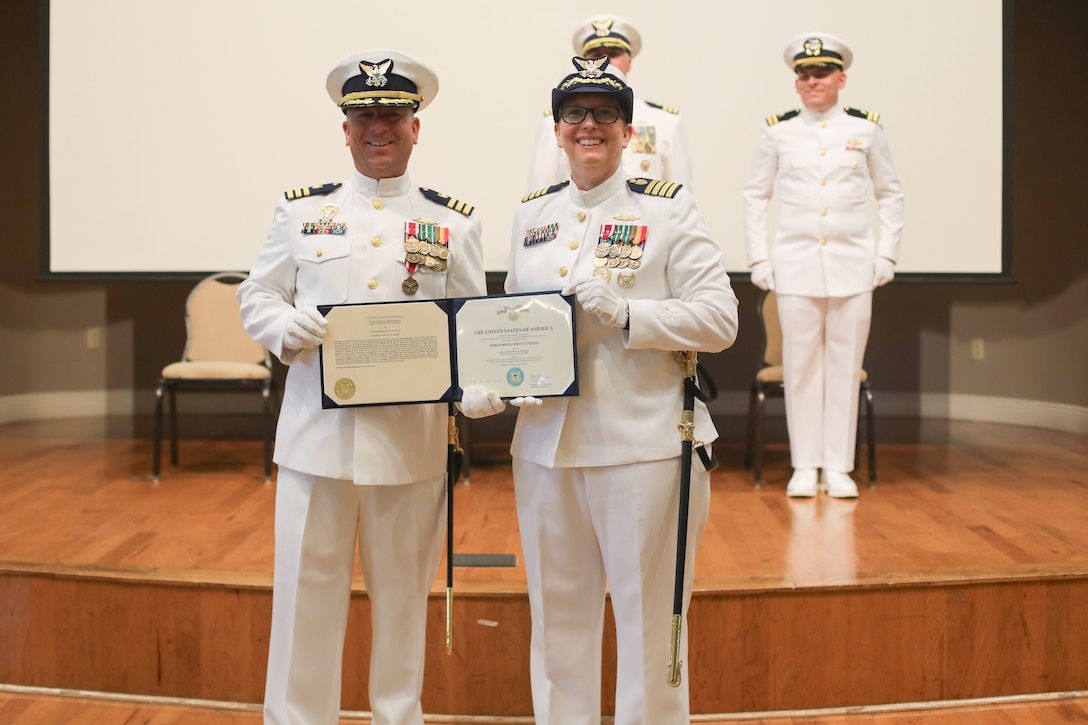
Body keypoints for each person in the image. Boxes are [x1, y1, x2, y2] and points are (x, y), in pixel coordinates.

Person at [461, 55, 738, 724]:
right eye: (576, 114)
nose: (590, 125)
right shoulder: (531, 218)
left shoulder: (668, 211)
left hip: (642, 446)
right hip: (546, 449)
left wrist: (632, 315)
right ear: (557, 130)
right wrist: (488, 380)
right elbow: (514, 323)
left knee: (649, 628)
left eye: (605, 113)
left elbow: (721, 318)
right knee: (558, 629)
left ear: (627, 129)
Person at [237, 50, 485, 725]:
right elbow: (256, 294)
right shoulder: (301, 213)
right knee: (304, 596)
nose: (380, 126)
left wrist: (482, 386)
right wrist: (289, 327)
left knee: (403, 598)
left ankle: (398, 717)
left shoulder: (453, 222)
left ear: (415, 126)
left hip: (409, 445)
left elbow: (470, 328)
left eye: (393, 115)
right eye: (365, 115)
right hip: (316, 442)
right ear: (345, 129)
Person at [742, 32, 904, 499]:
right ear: (797, 83)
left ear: (841, 78)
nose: (813, 81)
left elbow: (890, 193)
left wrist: (886, 253)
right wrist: (759, 256)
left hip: (853, 265)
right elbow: (755, 195)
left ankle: (837, 466)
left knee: (844, 366)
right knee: (801, 368)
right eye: (804, 74)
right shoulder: (777, 131)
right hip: (794, 266)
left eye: (822, 73)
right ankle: (804, 463)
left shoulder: (866, 129)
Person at [525, 14, 693, 190]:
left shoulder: (665, 122)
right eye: (596, 55)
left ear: (629, 62)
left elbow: (681, 194)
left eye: (614, 54)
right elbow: (539, 195)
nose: (605, 61)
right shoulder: (557, 122)